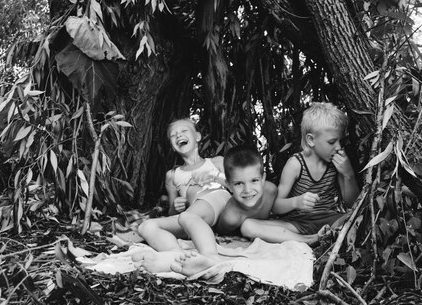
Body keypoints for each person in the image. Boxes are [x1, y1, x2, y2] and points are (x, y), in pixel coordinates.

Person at [240, 102, 359, 245]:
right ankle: (310, 239)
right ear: (311, 140)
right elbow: (276, 206)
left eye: (340, 141)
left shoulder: (337, 162)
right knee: (248, 226)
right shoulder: (296, 164)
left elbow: (353, 203)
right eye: (332, 142)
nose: (338, 147)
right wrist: (297, 202)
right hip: (297, 224)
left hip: (330, 220)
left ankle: (327, 235)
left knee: (357, 217)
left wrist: (348, 175)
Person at [135, 118, 231, 272]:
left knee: (188, 216)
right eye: (173, 135)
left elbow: (238, 186)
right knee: (146, 226)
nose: (179, 135)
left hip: (217, 201)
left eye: (184, 131)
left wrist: (214, 176)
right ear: (172, 146)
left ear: (198, 137)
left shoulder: (216, 162)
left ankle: (211, 258)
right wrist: (176, 205)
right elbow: (174, 213)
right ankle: (177, 255)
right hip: (192, 214)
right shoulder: (172, 175)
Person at [171, 145, 278, 276]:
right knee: (185, 218)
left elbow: (280, 207)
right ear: (229, 186)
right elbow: (221, 233)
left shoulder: (271, 190)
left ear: (263, 178)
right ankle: (207, 258)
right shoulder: (230, 217)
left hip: (215, 205)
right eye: (239, 184)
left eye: (254, 180)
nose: (248, 190)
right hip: (209, 215)